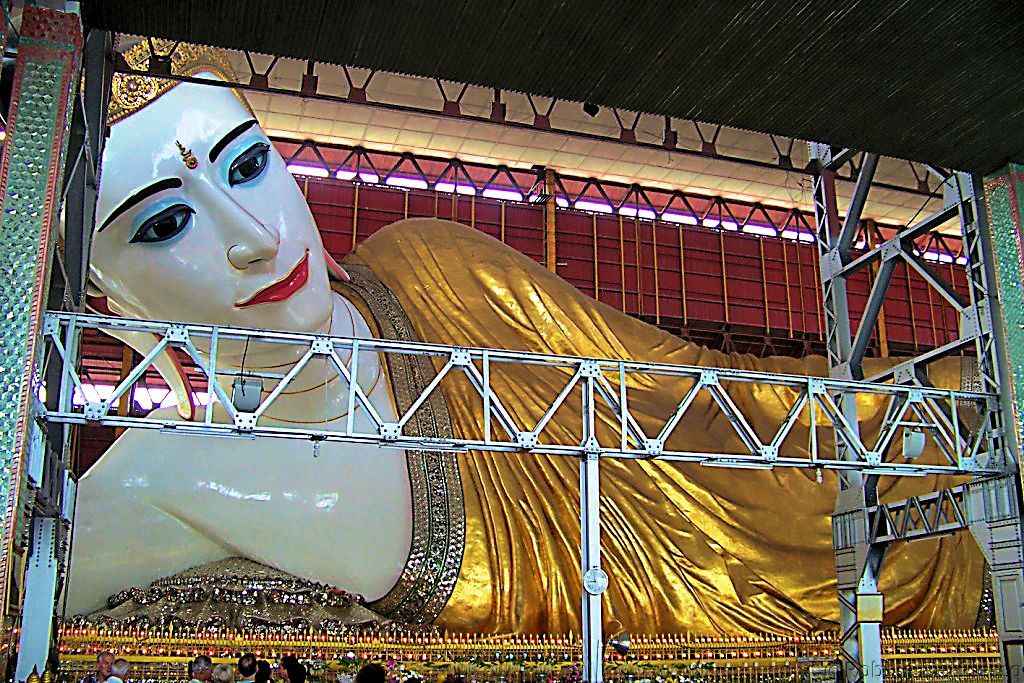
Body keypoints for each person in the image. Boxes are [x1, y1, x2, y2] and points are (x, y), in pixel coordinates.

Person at [66, 39, 984, 635]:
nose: (254, 237)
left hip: (747, 541)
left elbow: (682, 388)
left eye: (249, 166)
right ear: (110, 298)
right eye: (164, 225)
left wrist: (918, 396)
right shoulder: (146, 489)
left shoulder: (432, 268)